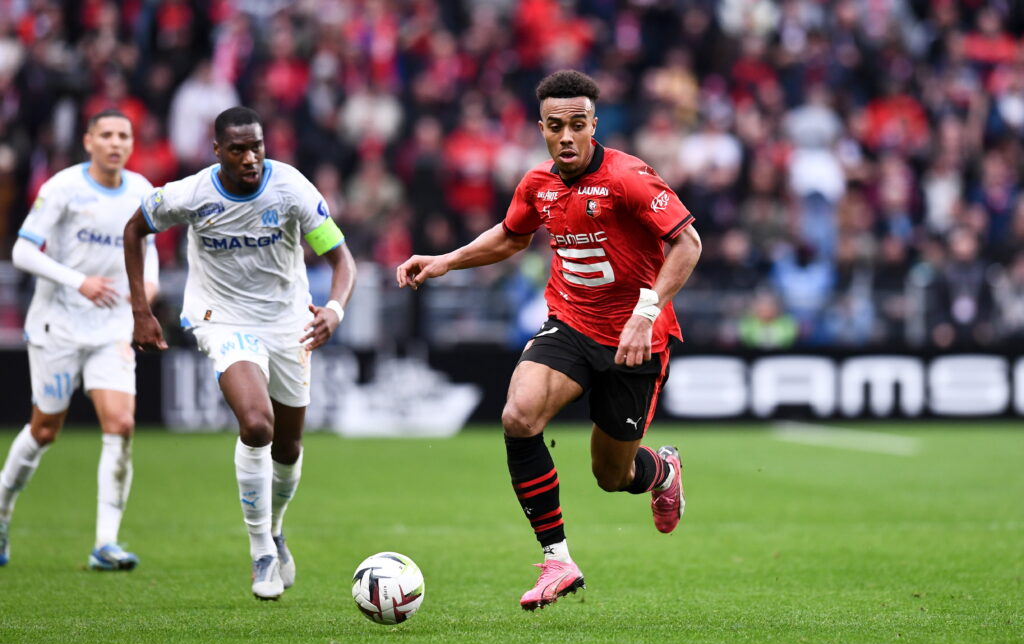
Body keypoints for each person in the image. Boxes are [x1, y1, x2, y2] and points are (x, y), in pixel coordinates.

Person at [396, 70, 702, 610]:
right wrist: (446, 260)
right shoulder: (536, 183)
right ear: (541, 128)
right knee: (519, 415)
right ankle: (557, 560)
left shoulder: (630, 178)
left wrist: (644, 312)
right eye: (555, 126)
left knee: (613, 476)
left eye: (577, 125)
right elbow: (512, 235)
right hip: (570, 324)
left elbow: (688, 244)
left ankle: (663, 471)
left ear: (593, 125)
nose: (566, 136)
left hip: (637, 341)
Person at [123, 106, 356, 600]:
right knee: (257, 424)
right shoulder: (191, 193)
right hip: (221, 318)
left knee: (288, 447)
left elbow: (340, 259)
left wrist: (334, 309)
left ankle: (276, 527)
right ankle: (261, 553)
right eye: (238, 149)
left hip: (287, 321)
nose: (250, 157)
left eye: (257, 146)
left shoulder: (291, 188)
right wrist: (141, 311)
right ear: (217, 152)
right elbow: (134, 229)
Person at [0, 110, 159, 570]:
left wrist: (144, 297)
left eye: (123, 135)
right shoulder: (62, 188)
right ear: (88, 141)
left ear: (132, 143)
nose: (115, 143)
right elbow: (22, 251)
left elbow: (145, 252)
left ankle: (106, 544)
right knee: (44, 430)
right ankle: (3, 512)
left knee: (122, 424)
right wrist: (78, 281)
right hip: (59, 323)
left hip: (110, 327)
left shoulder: (142, 191)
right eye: (106, 135)